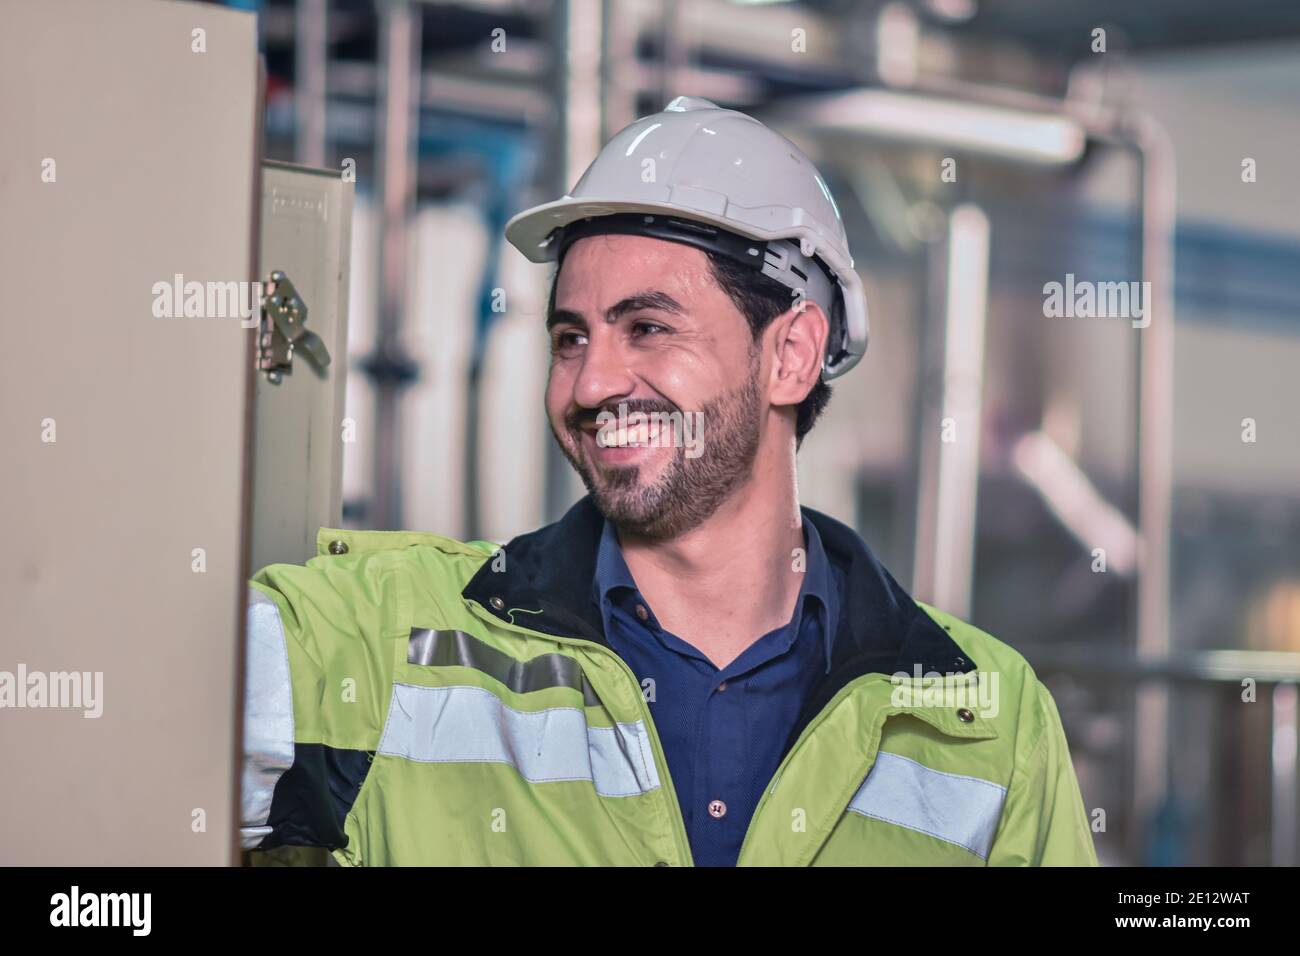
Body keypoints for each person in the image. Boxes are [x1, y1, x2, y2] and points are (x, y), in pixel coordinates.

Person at [241, 95, 1098, 867]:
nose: (590, 384)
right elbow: (135, 733)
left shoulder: (984, 717)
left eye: (647, 327)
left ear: (790, 354)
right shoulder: (385, 637)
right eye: (570, 337)